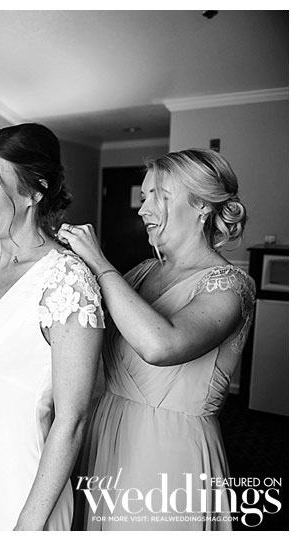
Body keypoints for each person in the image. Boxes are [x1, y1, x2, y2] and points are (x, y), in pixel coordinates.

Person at [59, 149, 255, 530]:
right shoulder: (141, 273)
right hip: (106, 433)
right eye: (145, 196)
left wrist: (99, 262)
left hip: (168, 451)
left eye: (158, 197)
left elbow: (160, 346)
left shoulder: (230, 285)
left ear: (202, 206)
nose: (143, 209)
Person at [0, 123, 105, 530]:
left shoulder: (67, 280)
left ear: (35, 191)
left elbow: (73, 420)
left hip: (24, 481)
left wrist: (28, 525)